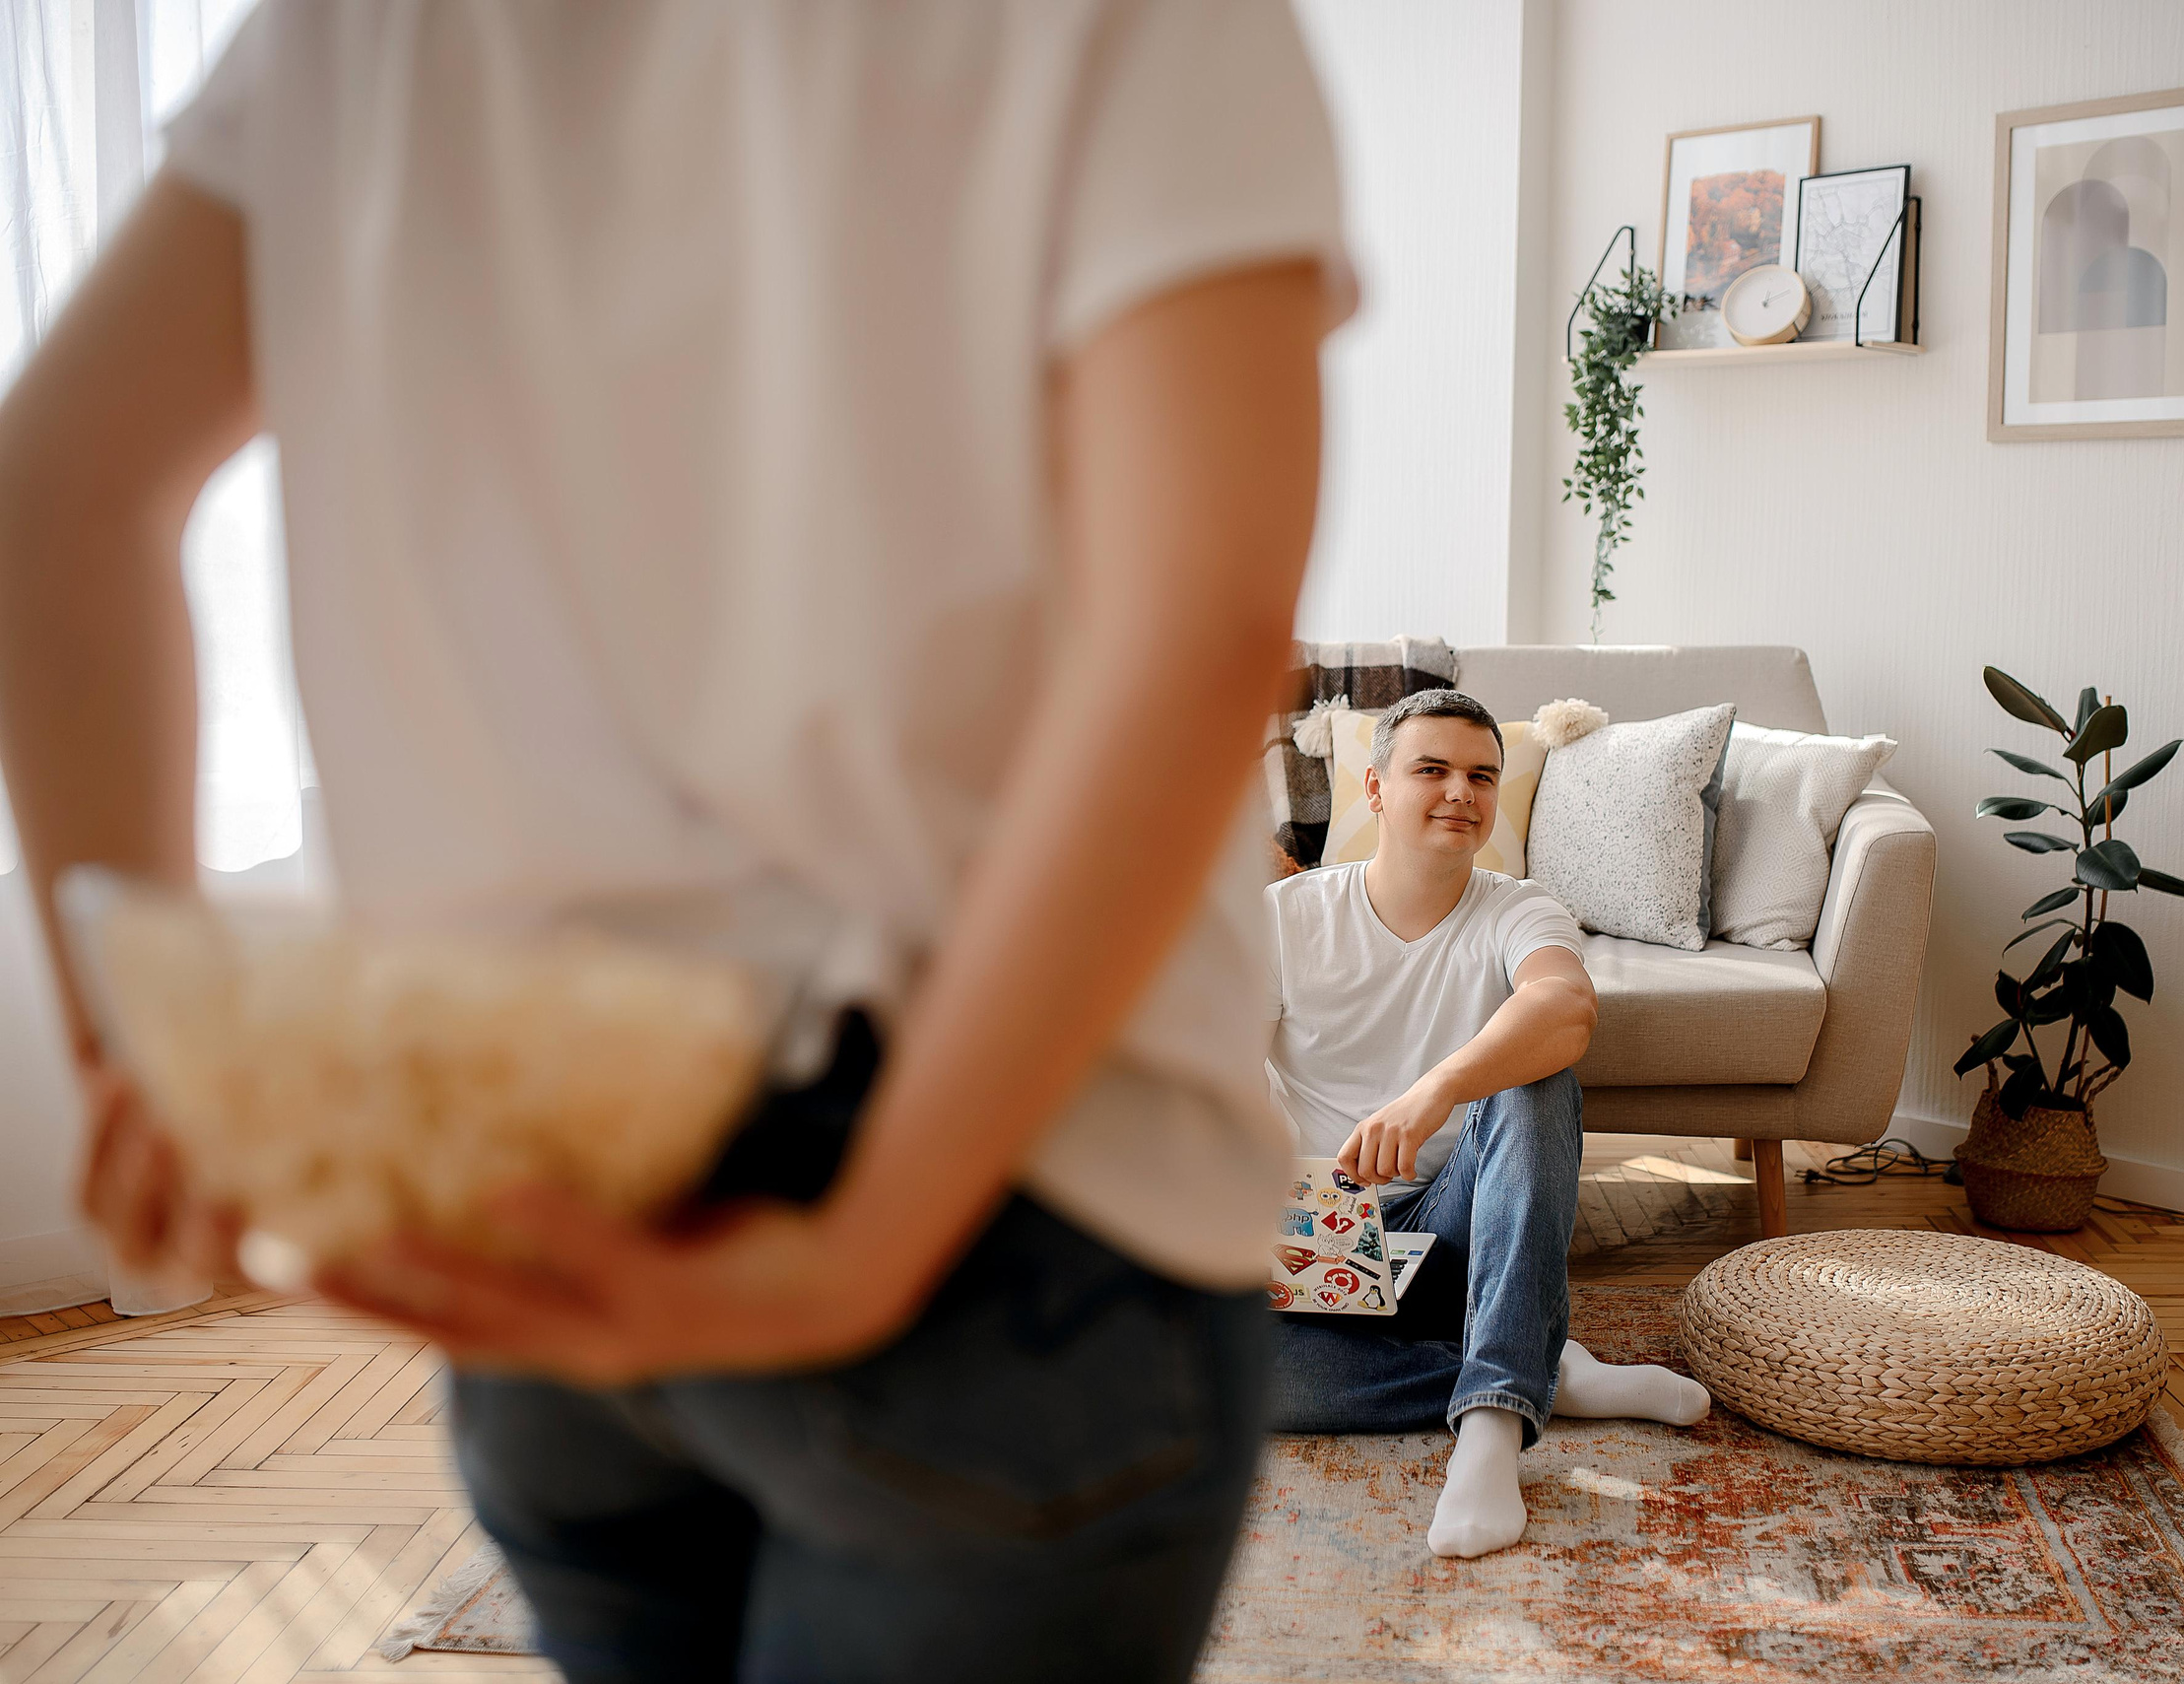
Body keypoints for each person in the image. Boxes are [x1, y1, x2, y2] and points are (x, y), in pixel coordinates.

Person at [0, 4, 1352, 1679]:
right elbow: (1206, 619)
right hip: (1000, 1199)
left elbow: (55, 484)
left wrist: (143, 1048)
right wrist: (867, 1241)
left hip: (541, 1172)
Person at [1265, 691, 1711, 1559]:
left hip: (1459, 1235)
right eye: (1431, 769)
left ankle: (1494, 1422)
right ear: (1375, 788)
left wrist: (1435, 1088)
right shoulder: (1284, 918)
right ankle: (1545, 1366)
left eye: (1480, 775)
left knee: (1538, 1079)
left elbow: (1565, 1004)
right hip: (1319, 1241)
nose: (1459, 792)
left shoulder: (1521, 906)